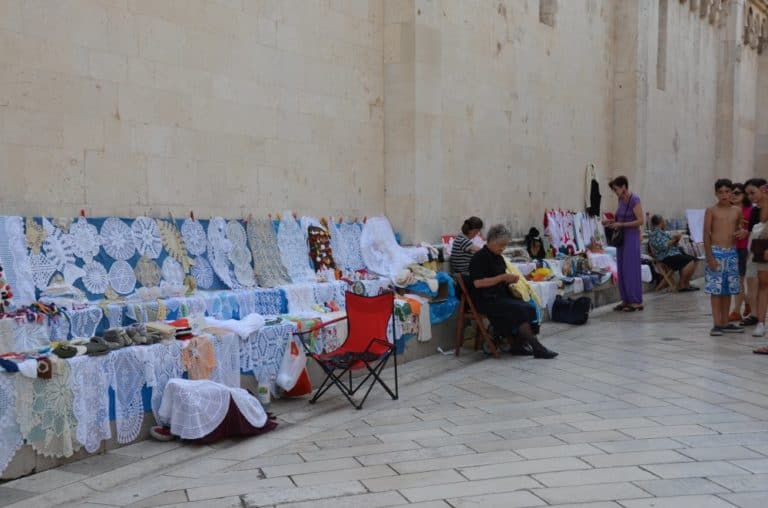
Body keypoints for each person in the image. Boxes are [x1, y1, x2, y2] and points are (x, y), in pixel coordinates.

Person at [469, 224, 558, 359]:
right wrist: (502, 278)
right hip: (486, 298)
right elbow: (478, 283)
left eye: (505, 245)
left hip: (501, 295)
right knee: (519, 309)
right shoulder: (478, 258)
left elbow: (500, 277)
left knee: (529, 306)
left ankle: (518, 344)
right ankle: (537, 347)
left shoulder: (498, 257)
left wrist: (510, 280)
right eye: (501, 245)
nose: (503, 248)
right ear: (492, 241)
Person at [703, 179, 746, 336]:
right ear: (716, 194)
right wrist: (710, 258)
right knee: (716, 290)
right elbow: (706, 235)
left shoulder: (737, 211)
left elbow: (741, 228)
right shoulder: (711, 211)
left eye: (727, 191)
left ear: (731, 193)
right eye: (720, 192)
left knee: (728, 290)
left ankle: (725, 322)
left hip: (731, 253)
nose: (724, 195)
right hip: (716, 253)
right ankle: (716, 324)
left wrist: (743, 232)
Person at [604, 176, 644, 311]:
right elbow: (619, 217)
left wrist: (622, 224)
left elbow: (640, 220)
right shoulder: (620, 199)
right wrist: (610, 222)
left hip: (632, 237)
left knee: (630, 268)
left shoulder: (634, 200)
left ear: (624, 187)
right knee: (621, 268)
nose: (615, 192)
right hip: (622, 237)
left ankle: (636, 300)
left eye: (616, 189)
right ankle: (625, 299)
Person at [744, 179, 768, 342]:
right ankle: (760, 322)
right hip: (760, 252)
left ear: (762, 189)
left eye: (752, 192)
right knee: (763, 284)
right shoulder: (754, 211)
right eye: (748, 194)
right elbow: (753, 234)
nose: (750, 197)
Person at [648, 215, 699, 292]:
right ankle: (682, 285)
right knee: (690, 261)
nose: (665, 223)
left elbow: (670, 244)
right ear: (661, 222)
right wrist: (674, 239)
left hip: (672, 254)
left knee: (695, 260)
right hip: (666, 256)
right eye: (664, 221)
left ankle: (686, 284)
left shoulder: (662, 232)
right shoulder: (655, 233)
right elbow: (662, 246)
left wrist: (676, 240)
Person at [730, 183, 752, 322]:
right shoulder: (728, 210)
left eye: (736, 193)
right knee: (737, 280)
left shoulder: (750, 210)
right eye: (731, 192)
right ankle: (748, 304)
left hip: (744, 248)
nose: (733, 195)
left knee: (739, 280)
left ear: (744, 195)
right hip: (730, 247)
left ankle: (736, 311)